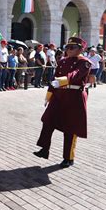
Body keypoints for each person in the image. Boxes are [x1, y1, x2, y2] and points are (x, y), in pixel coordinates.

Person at [33, 37, 92, 168]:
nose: (69, 50)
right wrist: (49, 94)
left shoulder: (85, 63)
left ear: (80, 49)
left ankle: (68, 157)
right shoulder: (62, 61)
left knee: (70, 128)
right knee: (48, 120)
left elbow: (75, 75)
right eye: (67, 47)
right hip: (59, 95)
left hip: (74, 97)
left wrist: (60, 82)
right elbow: (54, 78)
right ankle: (44, 149)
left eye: (72, 48)